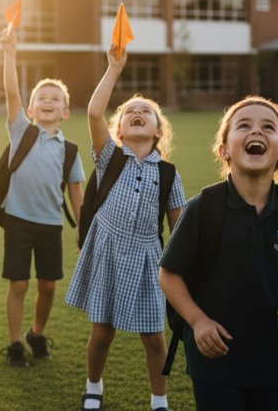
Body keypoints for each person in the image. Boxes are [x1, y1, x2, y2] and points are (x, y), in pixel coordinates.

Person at [159, 96, 278, 411]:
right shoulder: (202, 208)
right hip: (215, 359)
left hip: (277, 360)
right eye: (244, 126)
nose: (257, 132)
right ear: (223, 149)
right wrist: (198, 322)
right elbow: (169, 274)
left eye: (268, 127)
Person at [65, 44, 186, 411]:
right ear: (119, 129)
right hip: (107, 252)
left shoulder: (167, 173)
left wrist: (184, 270)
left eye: (145, 112)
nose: (137, 113)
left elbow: (178, 226)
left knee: (154, 337)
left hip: (149, 257)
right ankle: (94, 386)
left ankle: (159, 400)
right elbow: (93, 111)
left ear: (158, 130)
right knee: (102, 333)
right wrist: (114, 69)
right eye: (130, 111)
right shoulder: (109, 158)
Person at [0, 26, 84, 366]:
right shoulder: (21, 132)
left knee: (47, 287)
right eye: (41, 99)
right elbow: (10, 92)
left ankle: (37, 332)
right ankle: (16, 342)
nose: (48, 103)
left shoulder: (70, 150)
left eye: (55, 100)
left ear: (65, 112)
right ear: (30, 110)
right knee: (18, 285)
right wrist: (10, 53)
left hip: (50, 226)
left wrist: (83, 226)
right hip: (18, 221)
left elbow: (76, 191)